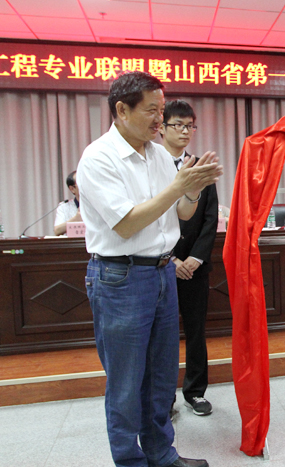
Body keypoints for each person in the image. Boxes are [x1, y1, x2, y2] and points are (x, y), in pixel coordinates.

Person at [77, 71, 223, 467]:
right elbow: (126, 224)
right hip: (121, 278)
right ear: (122, 110)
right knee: (126, 382)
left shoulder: (157, 155)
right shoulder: (99, 158)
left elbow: (181, 213)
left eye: (162, 110)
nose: (160, 120)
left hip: (162, 274)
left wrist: (192, 190)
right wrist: (178, 186)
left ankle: (161, 454)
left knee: (161, 377)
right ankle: (130, 460)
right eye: (152, 111)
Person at [160, 100, 217, 417]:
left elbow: (210, 218)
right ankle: (164, 397)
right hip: (160, 265)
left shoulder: (201, 167)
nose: (184, 131)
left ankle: (195, 392)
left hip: (195, 267)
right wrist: (171, 259)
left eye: (189, 126)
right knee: (163, 335)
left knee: (196, 331)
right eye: (178, 125)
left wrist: (196, 257)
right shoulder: (151, 166)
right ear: (162, 127)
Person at [53, 170, 81, 235]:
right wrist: (75, 219)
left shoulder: (97, 204)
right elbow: (57, 231)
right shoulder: (64, 207)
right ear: (72, 189)